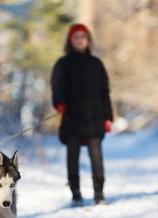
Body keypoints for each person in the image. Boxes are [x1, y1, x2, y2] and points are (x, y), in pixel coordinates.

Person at [50, 23, 113, 206]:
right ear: (70, 40)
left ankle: (99, 194)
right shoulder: (63, 64)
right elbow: (57, 86)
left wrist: (107, 117)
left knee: (97, 158)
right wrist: (59, 103)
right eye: (76, 37)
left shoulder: (96, 63)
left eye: (83, 36)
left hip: (95, 118)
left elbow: (104, 92)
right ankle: (76, 194)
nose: (80, 40)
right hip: (71, 118)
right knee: (72, 158)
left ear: (88, 40)